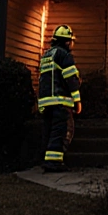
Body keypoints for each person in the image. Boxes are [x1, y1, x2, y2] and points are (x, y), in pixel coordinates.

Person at [38, 24, 81, 172]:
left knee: (49, 131)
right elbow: (71, 80)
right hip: (60, 101)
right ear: (67, 41)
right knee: (61, 132)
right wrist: (77, 100)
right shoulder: (64, 55)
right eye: (71, 41)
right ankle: (54, 163)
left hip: (45, 102)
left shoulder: (46, 55)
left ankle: (47, 160)